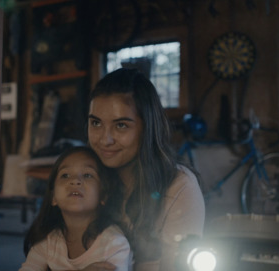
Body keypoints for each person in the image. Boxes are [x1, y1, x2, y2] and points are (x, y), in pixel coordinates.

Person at [87, 68, 206, 271]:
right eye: (96, 123)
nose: (104, 139)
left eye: (121, 125)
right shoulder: (85, 178)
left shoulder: (179, 186)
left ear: (147, 127)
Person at [20, 146, 133, 271]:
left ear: (103, 196)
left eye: (87, 175)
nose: (75, 181)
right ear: (53, 197)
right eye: (65, 175)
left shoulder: (113, 243)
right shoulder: (49, 242)